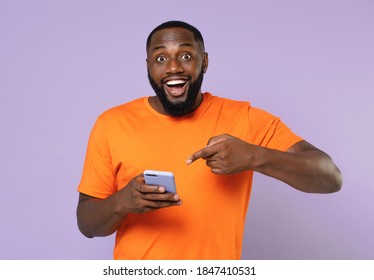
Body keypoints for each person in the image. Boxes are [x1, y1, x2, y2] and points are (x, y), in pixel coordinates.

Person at [76, 20, 342, 260]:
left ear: (204, 62)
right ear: (148, 66)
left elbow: (330, 178)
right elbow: (87, 225)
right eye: (160, 58)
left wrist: (253, 156)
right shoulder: (111, 123)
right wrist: (122, 202)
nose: (173, 67)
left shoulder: (244, 118)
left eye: (186, 55)